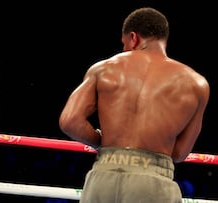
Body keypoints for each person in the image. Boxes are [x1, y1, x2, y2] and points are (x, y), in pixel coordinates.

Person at [59, 7, 210, 203]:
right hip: (153, 183)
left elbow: (69, 121)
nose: (124, 51)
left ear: (133, 38)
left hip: (103, 177)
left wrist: (102, 142)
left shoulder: (103, 69)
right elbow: (180, 154)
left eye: (124, 45)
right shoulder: (196, 84)